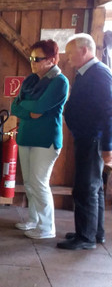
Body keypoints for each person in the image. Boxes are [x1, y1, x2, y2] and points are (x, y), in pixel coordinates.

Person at [57, 33, 112, 250]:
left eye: (70, 54)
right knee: (94, 188)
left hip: (93, 139)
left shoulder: (99, 75)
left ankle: (86, 238)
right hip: (87, 137)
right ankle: (93, 232)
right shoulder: (86, 73)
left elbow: (109, 113)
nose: (67, 58)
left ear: (84, 51)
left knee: (85, 188)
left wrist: (108, 147)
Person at [10, 39, 69, 239]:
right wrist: (30, 109)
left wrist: (27, 107)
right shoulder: (31, 80)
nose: (32, 62)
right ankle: (34, 220)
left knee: (39, 182)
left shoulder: (60, 81)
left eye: (37, 59)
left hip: (46, 140)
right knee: (29, 182)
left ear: (52, 60)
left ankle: (46, 227)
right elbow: (14, 107)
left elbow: (39, 108)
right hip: (27, 136)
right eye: (31, 58)